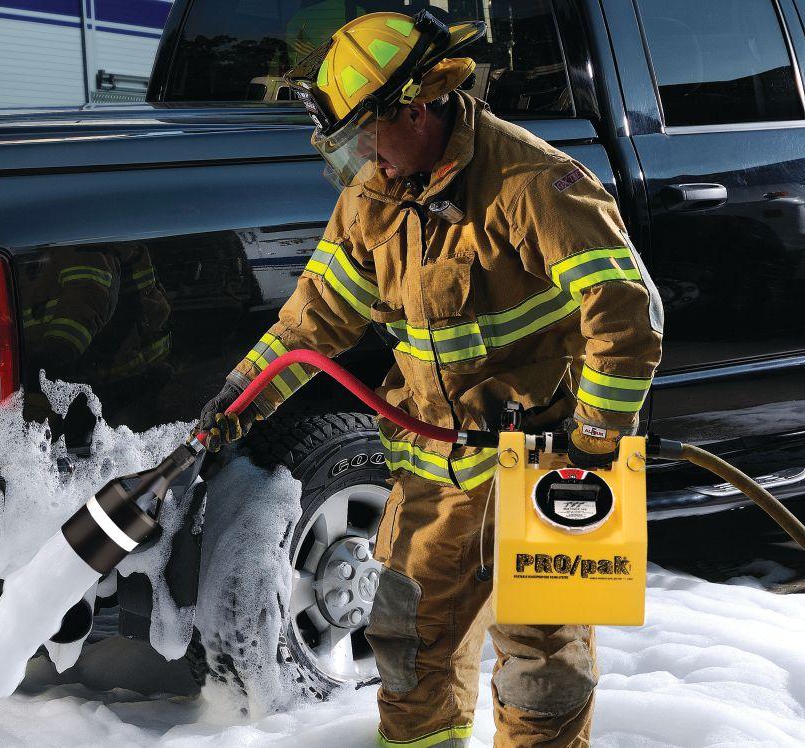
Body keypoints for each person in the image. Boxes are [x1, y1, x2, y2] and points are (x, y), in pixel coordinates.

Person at [197, 10, 663, 747]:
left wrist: (596, 441)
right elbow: (310, 324)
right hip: (435, 475)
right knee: (407, 651)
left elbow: (628, 314)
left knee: (544, 671)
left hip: (548, 471)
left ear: (415, 108)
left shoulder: (533, 183)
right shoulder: (374, 198)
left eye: (364, 135)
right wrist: (240, 398)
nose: (362, 159)